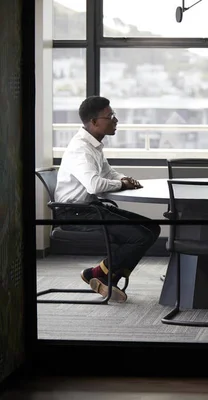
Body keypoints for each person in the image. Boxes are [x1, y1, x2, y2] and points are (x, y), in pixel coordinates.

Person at [54, 95, 161, 303]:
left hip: (91, 208)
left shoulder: (93, 145)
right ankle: (96, 273)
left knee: (151, 228)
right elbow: (94, 184)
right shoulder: (81, 149)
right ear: (94, 122)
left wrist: (124, 179)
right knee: (139, 236)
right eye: (110, 116)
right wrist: (122, 185)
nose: (115, 120)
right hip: (74, 213)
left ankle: (107, 276)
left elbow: (108, 172)